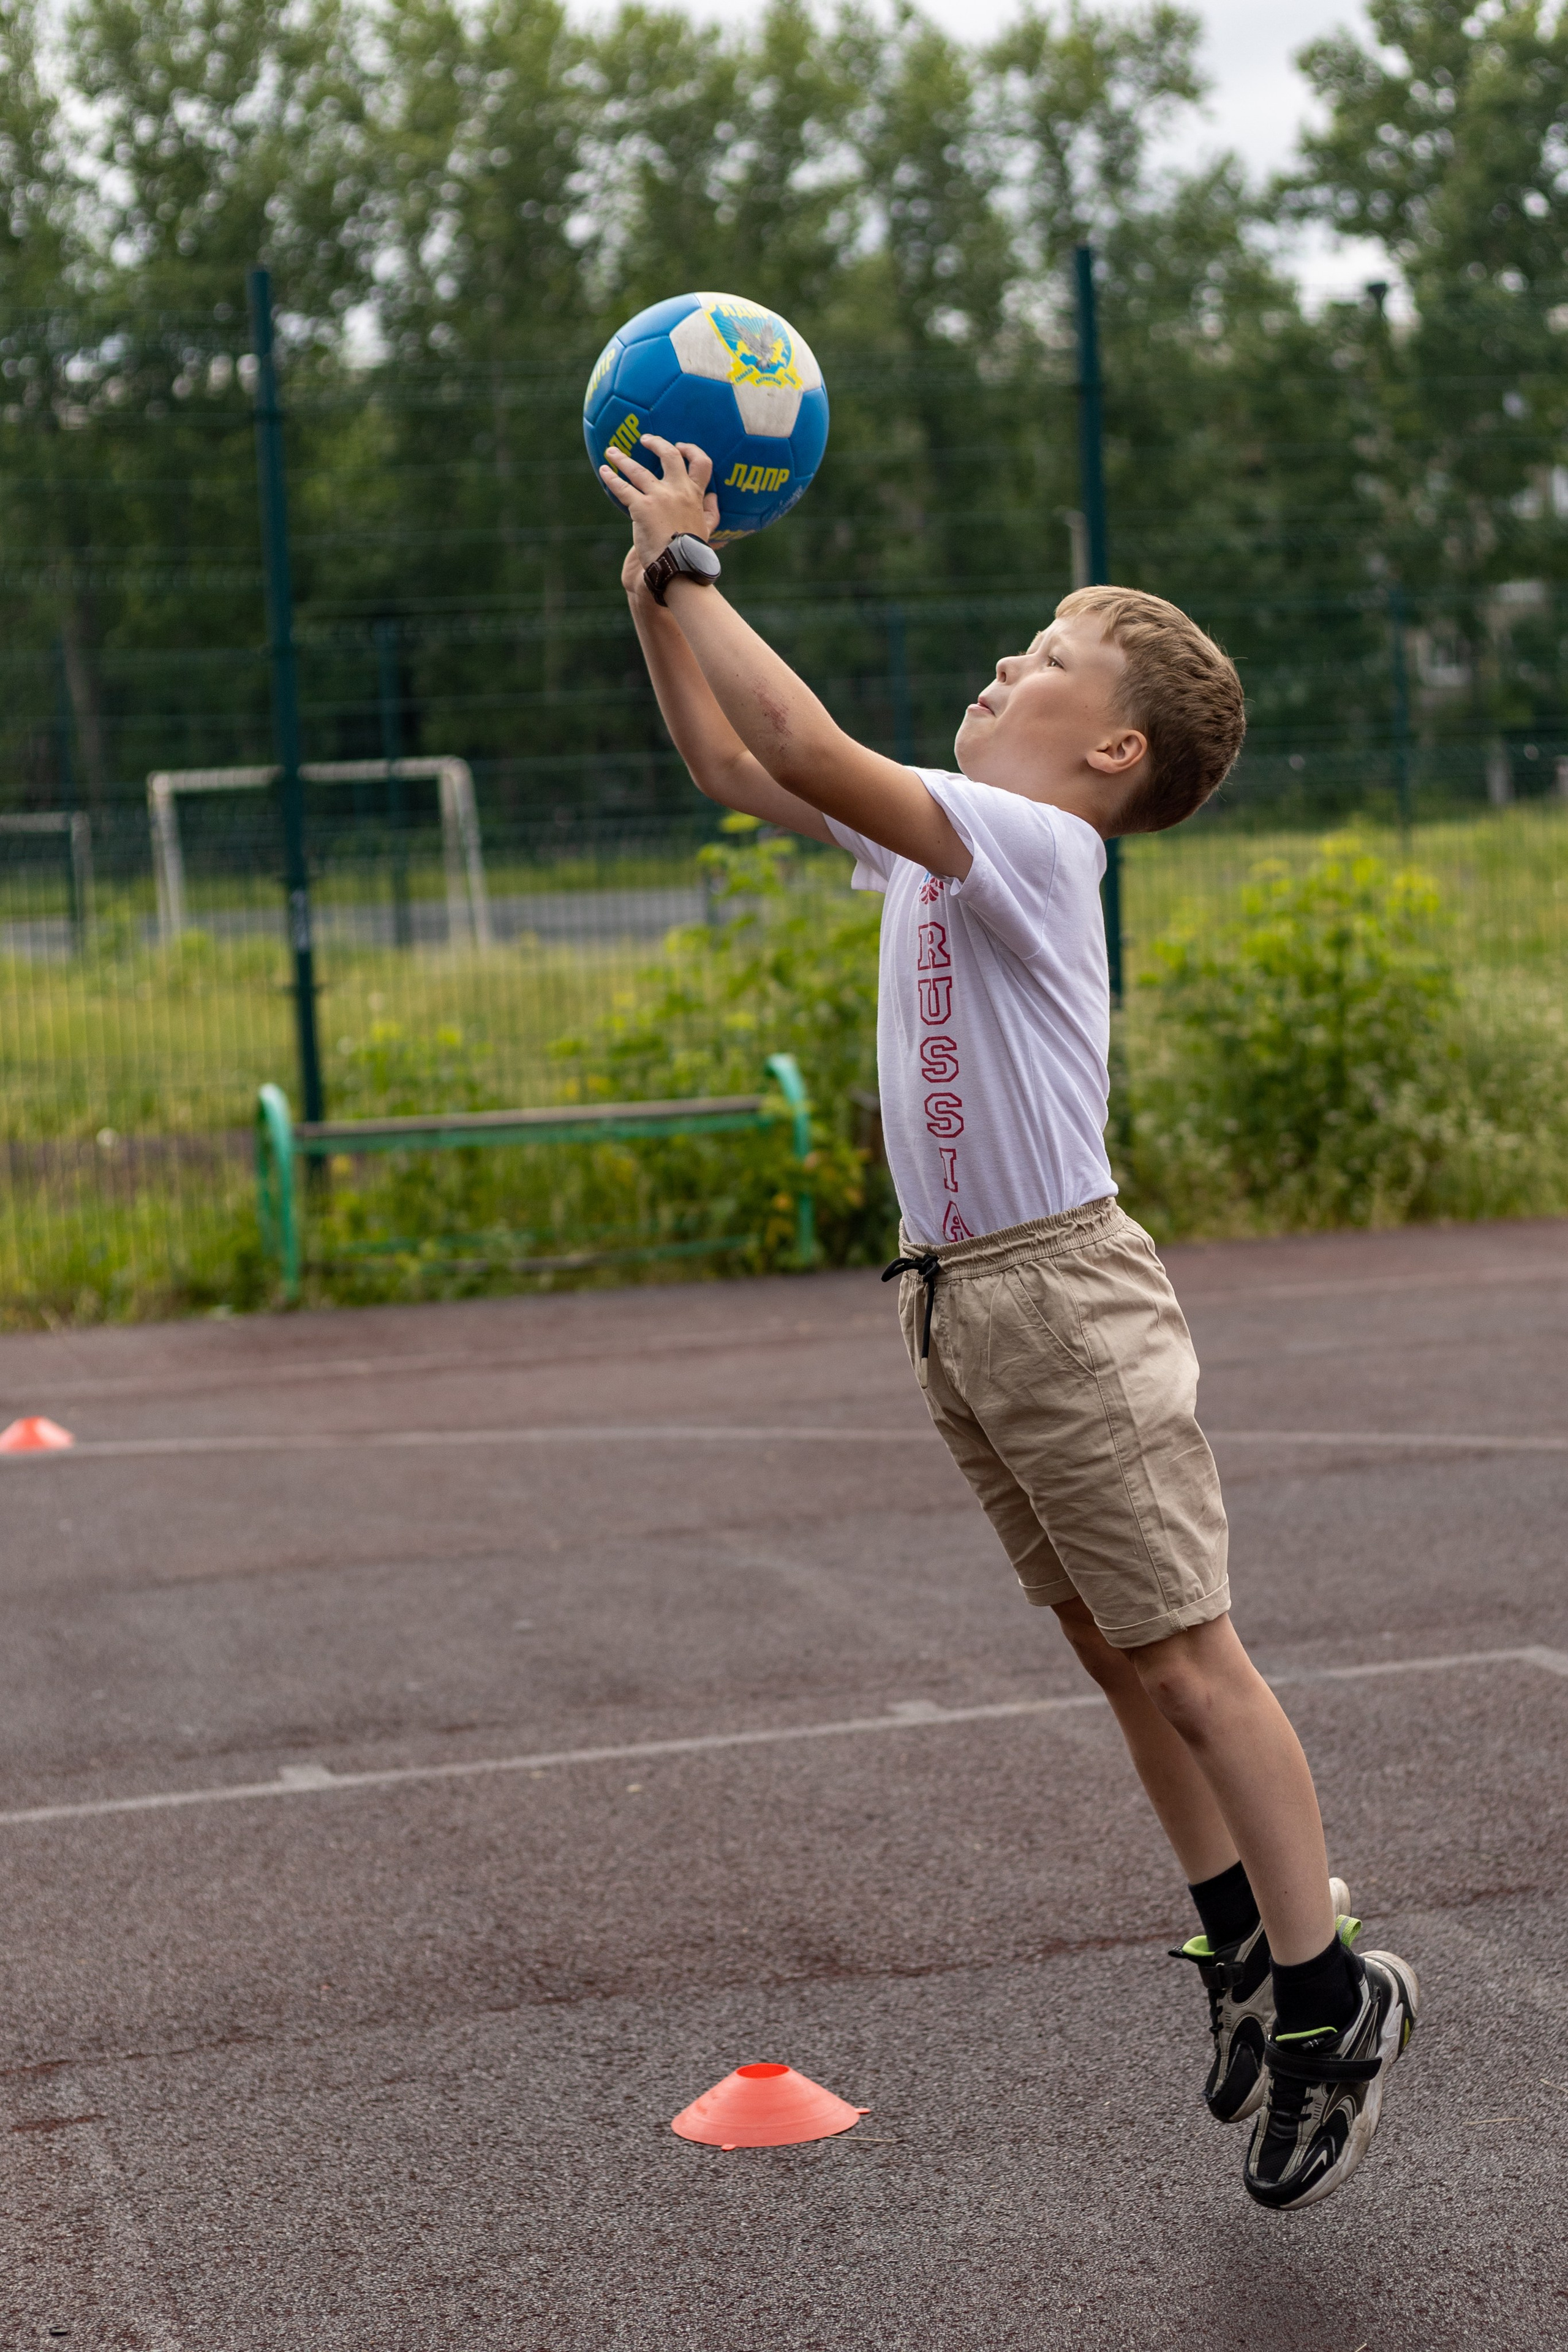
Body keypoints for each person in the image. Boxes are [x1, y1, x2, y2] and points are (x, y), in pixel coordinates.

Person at [600, 431, 1419, 2212]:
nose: (1004, 666)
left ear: (1112, 754)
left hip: (1065, 1295)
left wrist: (704, 568)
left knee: (1193, 1656)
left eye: (1045, 659)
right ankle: (1232, 1950)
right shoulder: (936, 850)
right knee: (1115, 1657)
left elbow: (806, 738)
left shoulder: (1038, 847)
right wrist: (656, 603)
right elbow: (741, 766)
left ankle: (1329, 1988)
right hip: (963, 1301)